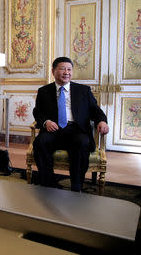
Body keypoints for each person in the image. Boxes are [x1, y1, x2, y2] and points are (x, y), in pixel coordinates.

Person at [32, 57, 109, 192]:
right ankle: (48, 184)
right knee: (40, 142)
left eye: (69, 69)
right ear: (53, 71)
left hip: (76, 129)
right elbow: (37, 112)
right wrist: (46, 122)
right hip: (53, 129)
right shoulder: (44, 91)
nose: (66, 72)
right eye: (62, 69)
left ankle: (76, 185)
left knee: (82, 142)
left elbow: (95, 110)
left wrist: (102, 121)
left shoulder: (83, 90)